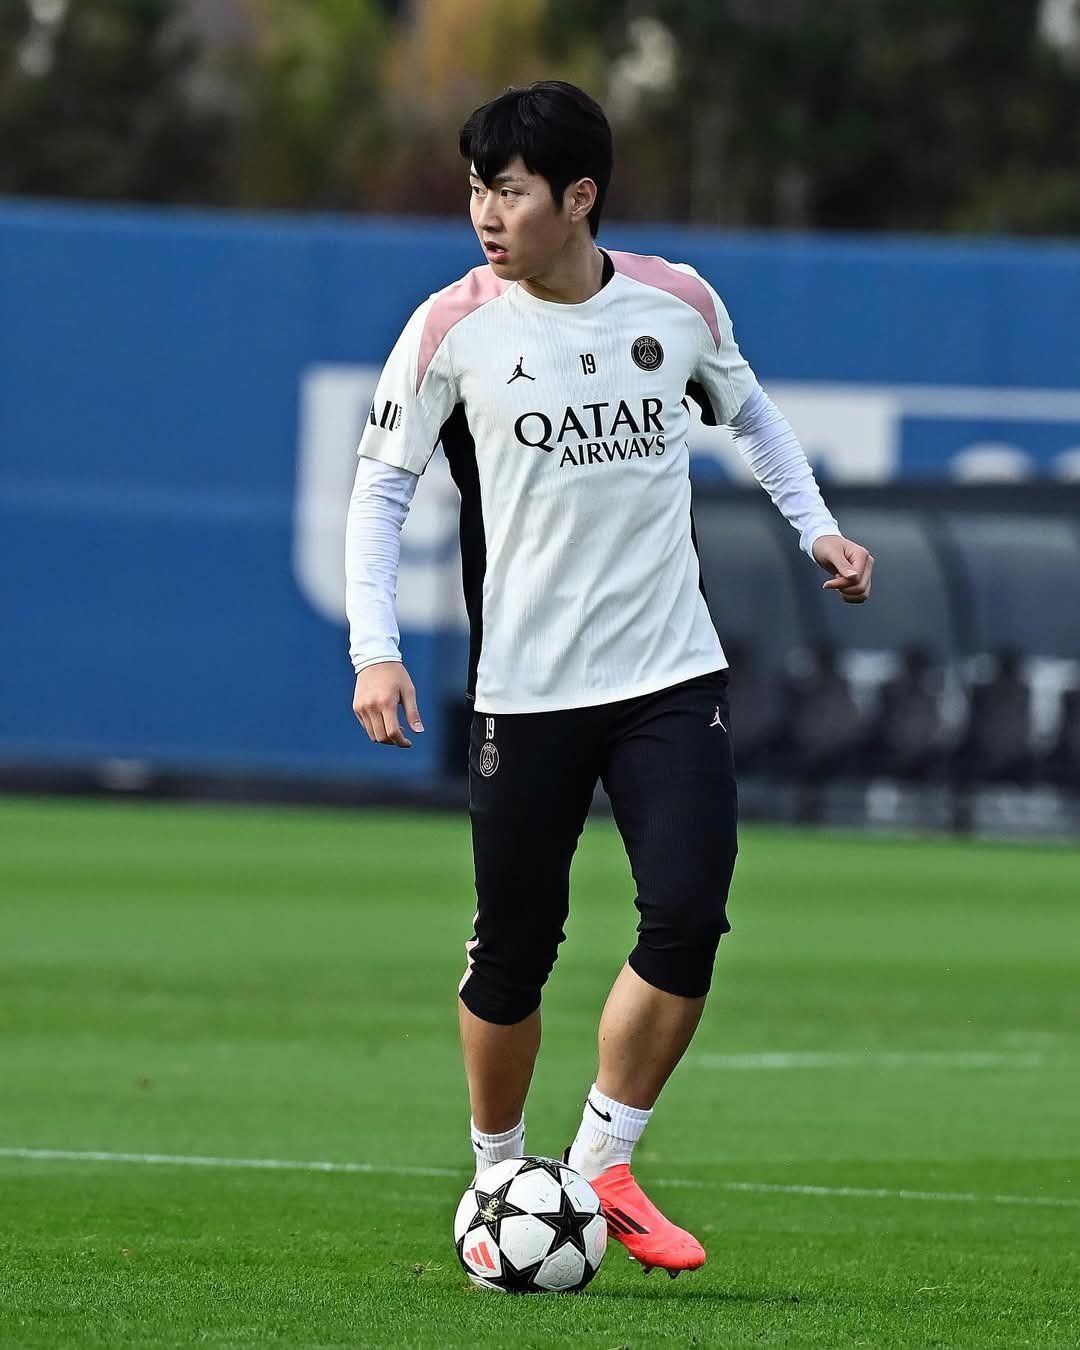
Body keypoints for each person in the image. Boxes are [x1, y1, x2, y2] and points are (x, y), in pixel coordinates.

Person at [345, 81, 873, 1277]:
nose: (486, 214)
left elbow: (754, 415)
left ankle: (604, 1164)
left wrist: (820, 530)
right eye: (476, 190)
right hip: (525, 690)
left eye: (509, 191)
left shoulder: (675, 302)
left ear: (578, 197)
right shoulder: (449, 328)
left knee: (688, 912)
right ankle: (497, 1173)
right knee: (513, 950)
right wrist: (374, 648)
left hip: (669, 675)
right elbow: (381, 492)